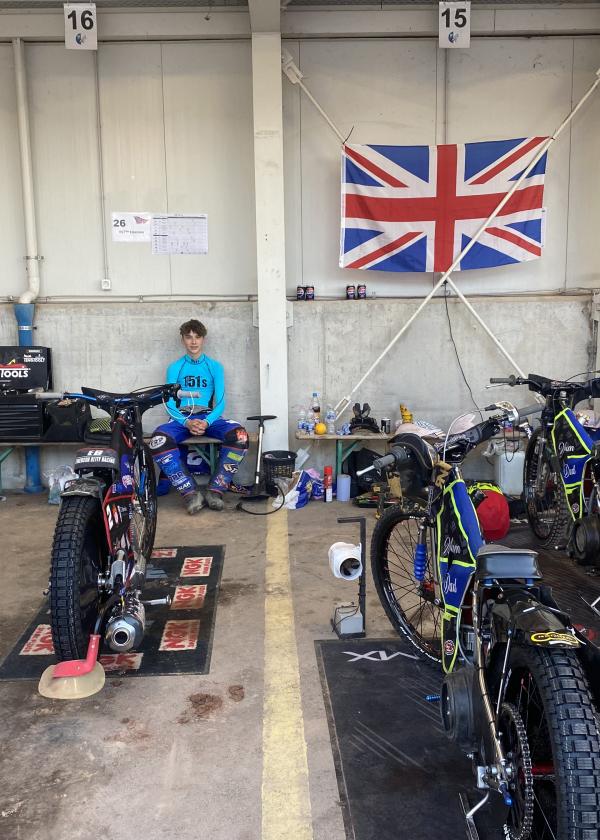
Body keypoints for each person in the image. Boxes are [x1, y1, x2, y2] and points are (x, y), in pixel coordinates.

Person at [149, 319, 249, 514]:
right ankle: (191, 494)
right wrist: (186, 422)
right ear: (182, 340)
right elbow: (169, 402)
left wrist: (206, 421)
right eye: (188, 337)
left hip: (208, 416)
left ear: (203, 339)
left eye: (197, 337)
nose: (193, 342)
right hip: (181, 418)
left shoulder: (214, 367)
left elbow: (220, 402)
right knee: (158, 441)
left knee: (240, 436)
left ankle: (216, 490)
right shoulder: (175, 367)